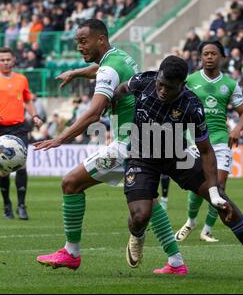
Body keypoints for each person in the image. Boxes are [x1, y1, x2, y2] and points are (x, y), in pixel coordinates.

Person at [114, 55, 243, 273]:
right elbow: (120, 90)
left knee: (221, 200)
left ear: (182, 85)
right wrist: (111, 103)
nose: (162, 91)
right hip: (142, 156)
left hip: (177, 155)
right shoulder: (143, 81)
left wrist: (214, 191)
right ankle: (137, 234)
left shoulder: (191, 105)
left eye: (169, 87)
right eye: (160, 84)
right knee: (140, 216)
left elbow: (205, 150)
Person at [34, 19, 181, 273]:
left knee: (70, 183)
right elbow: (101, 70)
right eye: (77, 42)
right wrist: (76, 72)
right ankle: (176, 262)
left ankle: (71, 252)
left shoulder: (108, 70)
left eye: (83, 41)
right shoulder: (120, 58)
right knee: (149, 201)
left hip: (128, 145)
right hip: (145, 140)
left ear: (100, 39)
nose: (79, 47)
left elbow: (93, 114)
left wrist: (61, 138)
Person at [175, 41, 243, 243]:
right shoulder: (190, 80)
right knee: (199, 187)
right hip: (196, 140)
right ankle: (190, 222)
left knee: (219, 187)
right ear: (201, 57)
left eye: (213, 53)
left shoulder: (231, 84)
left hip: (220, 140)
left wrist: (236, 128)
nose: (209, 57)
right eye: (205, 53)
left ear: (221, 57)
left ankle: (207, 230)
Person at [0, 47, 43, 220]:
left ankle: (21, 205)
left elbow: (27, 99)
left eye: (8, 59)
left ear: (13, 61)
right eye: (2, 60)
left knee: (21, 165)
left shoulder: (21, 79)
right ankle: (7, 204)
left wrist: (34, 115)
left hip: (19, 128)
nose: (5, 62)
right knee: (3, 170)